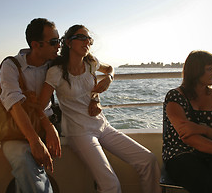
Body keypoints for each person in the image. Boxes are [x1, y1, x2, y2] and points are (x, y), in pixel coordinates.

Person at [38, 25, 161, 193]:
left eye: (89, 39)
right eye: (81, 37)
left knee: (148, 160)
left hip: (102, 125)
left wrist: (108, 79)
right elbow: (40, 106)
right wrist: (49, 128)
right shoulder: (56, 72)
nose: (87, 41)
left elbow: (110, 69)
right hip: (80, 132)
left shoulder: (91, 62)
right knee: (110, 185)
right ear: (68, 43)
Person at [163, 50, 212, 193]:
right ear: (195, 70)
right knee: (209, 182)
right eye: (209, 69)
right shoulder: (175, 97)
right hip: (181, 154)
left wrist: (203, 129)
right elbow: (189, 138)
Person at [0, 18, 61, 193]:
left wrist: (109, 75)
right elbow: (14, 104)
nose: (58, 46)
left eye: (59, 40)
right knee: (22, 159)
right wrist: (34, 141)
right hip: (15, 129)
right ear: (36, 44)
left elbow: (87, 62)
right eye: (54, 42)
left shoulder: (54, 63)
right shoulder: (11, 65)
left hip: (46, 124)